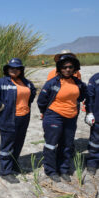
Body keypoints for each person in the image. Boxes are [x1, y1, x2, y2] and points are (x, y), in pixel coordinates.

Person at [37, 52, 87, 183]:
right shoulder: (52, 82)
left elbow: (82, 96)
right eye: (64, 67)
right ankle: (51, 171)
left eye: (70, 67)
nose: (68, 69)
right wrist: (45, 112)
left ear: (74, 68)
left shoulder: (78, 82)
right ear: (59, 68)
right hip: (54, 116)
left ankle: (64, 169)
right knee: (51, 145)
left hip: (71, 117)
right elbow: (41, 100)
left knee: (67, 145)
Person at [0, 58, 36, 184]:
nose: (14, 70)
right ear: (7, 69)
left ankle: (14, 165)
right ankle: (6, 172)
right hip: (8, 118)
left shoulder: (26, 83)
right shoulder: (2, 82)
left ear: (21, 70)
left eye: (17, 68)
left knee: (18, 143)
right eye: (11, 67)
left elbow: (32, 93)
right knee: (7, 146)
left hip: (23, 118)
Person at [85, 72, 99, 175]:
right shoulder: (95, 79)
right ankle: (92, 163)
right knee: (95, 142)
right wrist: (89, 112)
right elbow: (89, 97)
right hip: (98, 118)